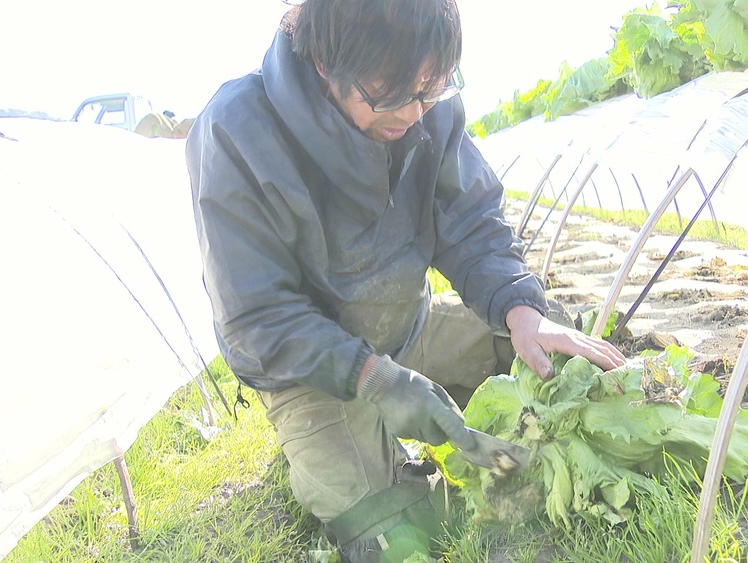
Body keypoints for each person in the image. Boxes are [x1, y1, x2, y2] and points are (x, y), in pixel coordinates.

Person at [185, 1, 626, 560]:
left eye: (429, 90)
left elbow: (470, 219)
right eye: (389, 93)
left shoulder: (425, 105)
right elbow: (256, 318)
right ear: (324, 61)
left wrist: (521, 311)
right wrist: (374, 379)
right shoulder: (236, 131)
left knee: (555, 354)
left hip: (407, 328)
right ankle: (327, 440)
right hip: (310, 373)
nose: (414, 113)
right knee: (398, 527)